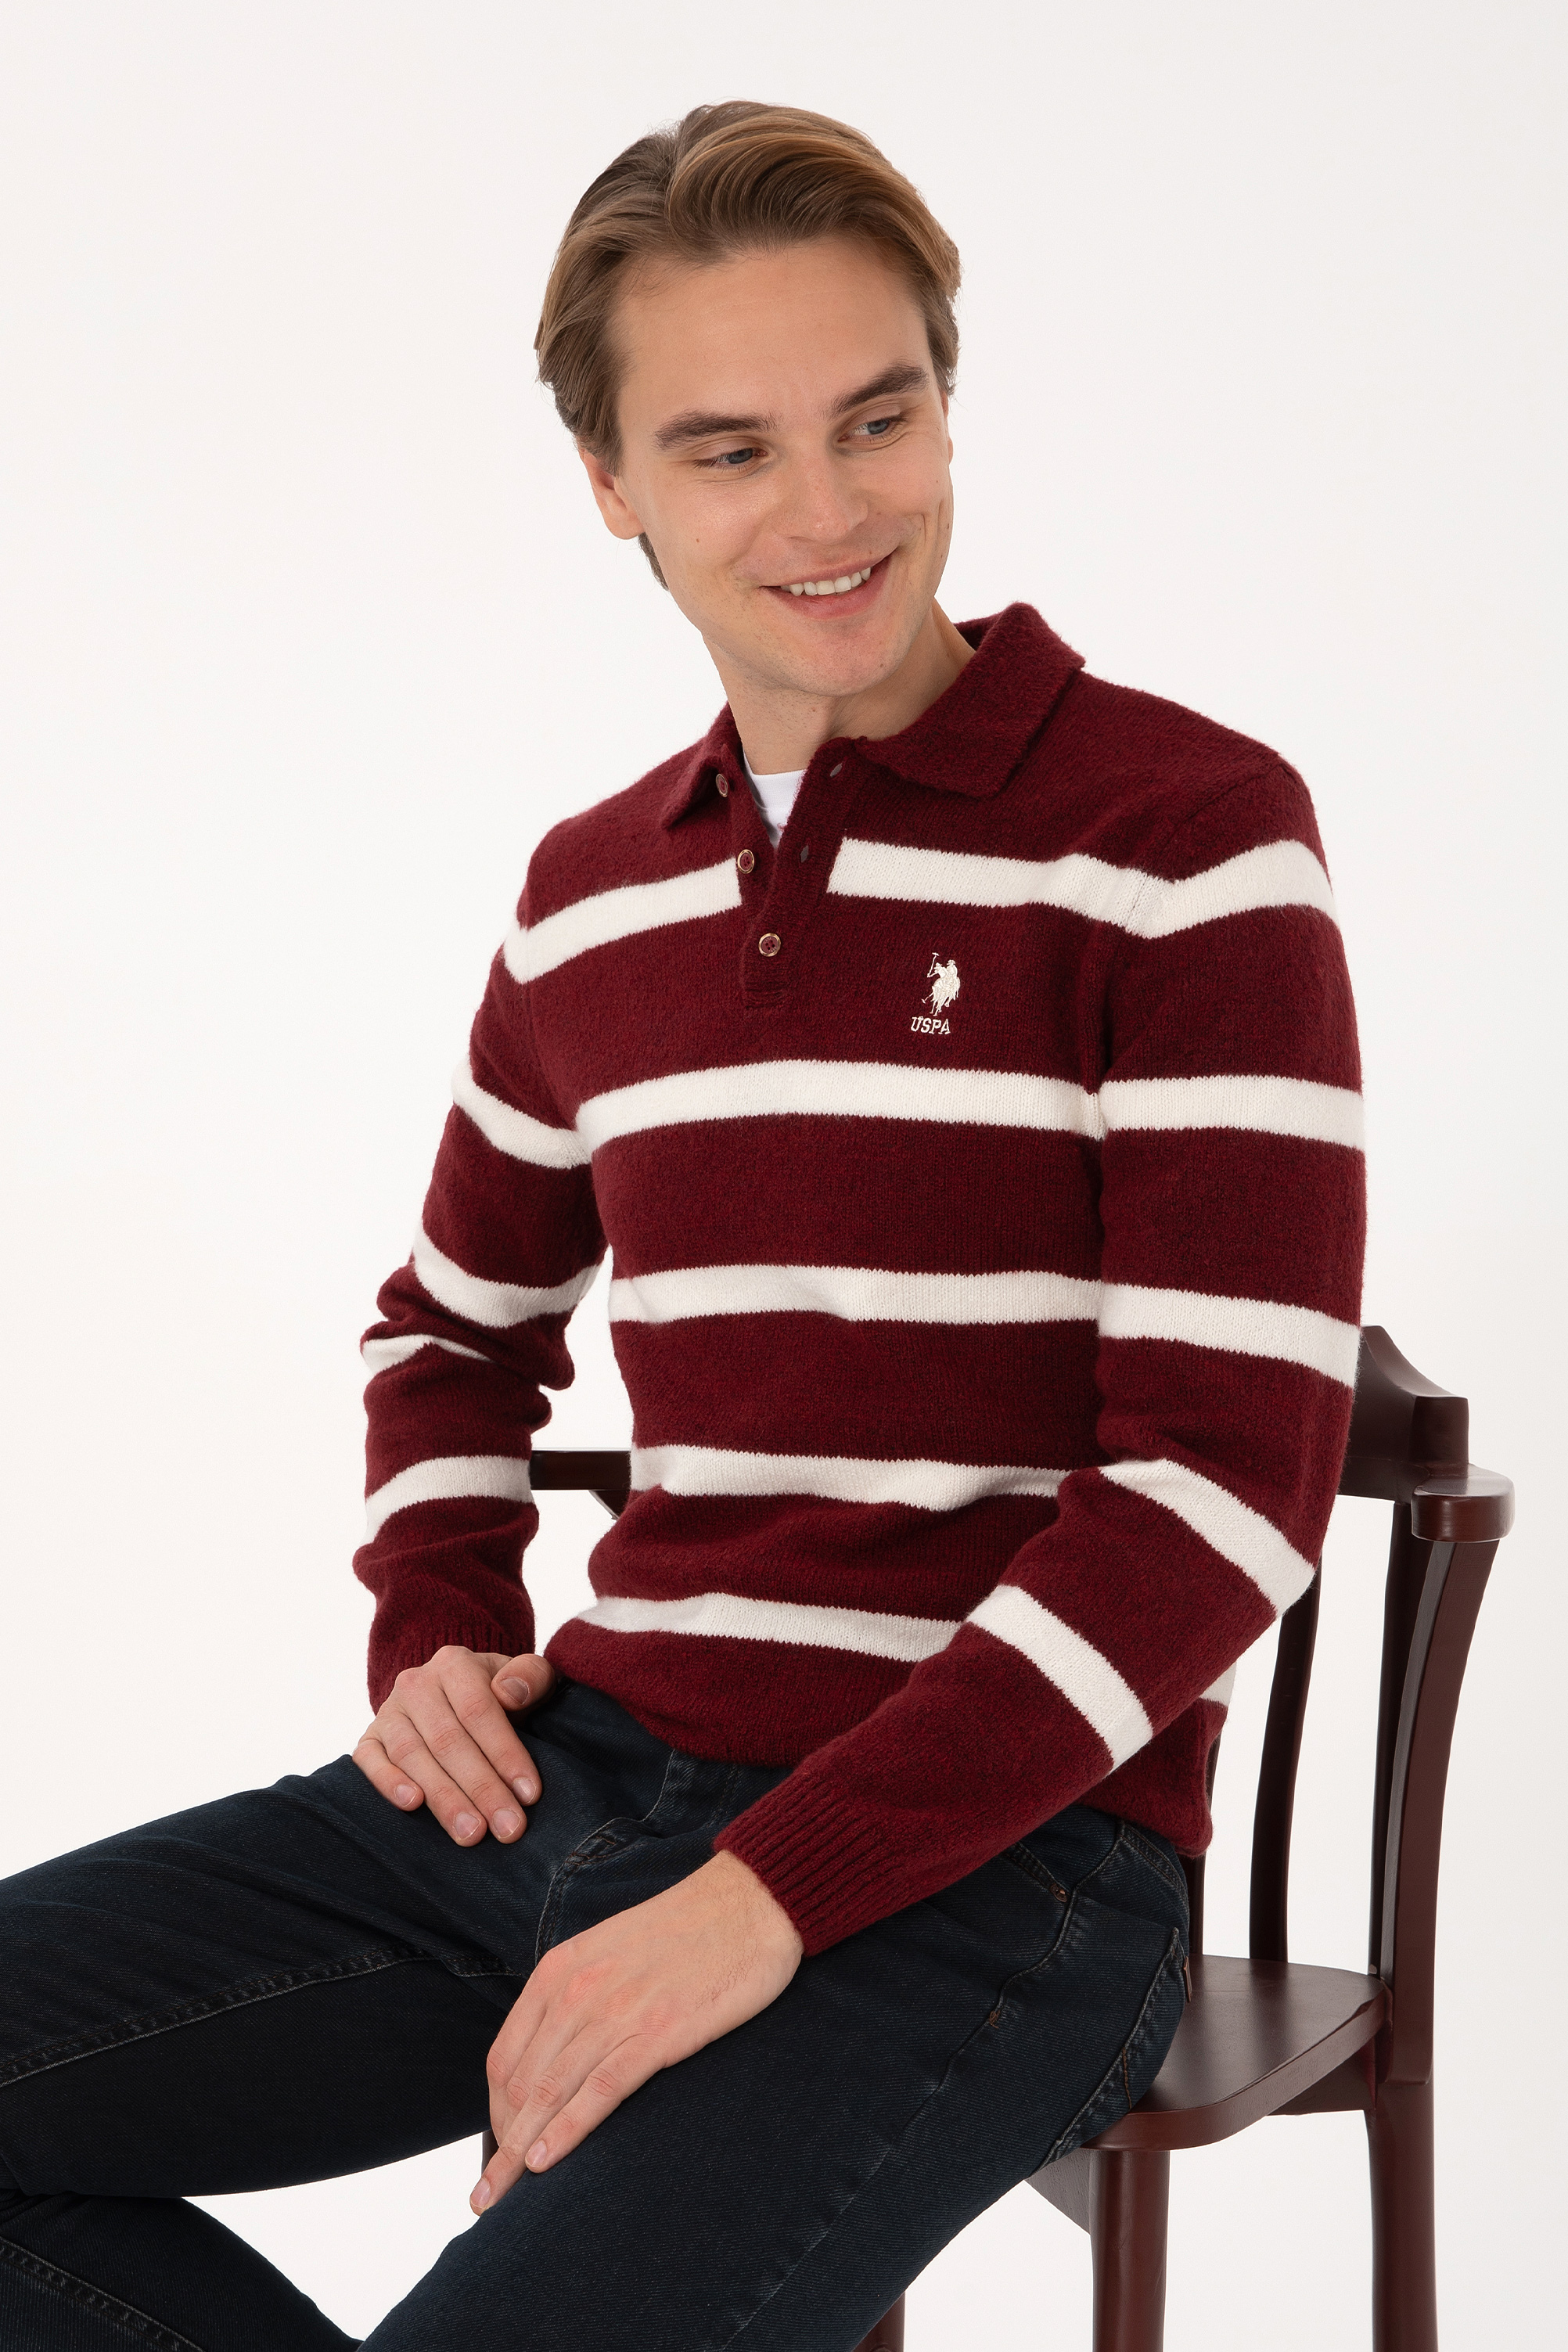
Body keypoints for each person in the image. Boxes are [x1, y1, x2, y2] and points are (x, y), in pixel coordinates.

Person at [0, 101, 1365, 2350]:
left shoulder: (1183, 835)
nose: (829, 513)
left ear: (948, 408)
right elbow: (448, 1331)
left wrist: (765, 1895)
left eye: (878, 419)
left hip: (1000, 1859)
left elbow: (1221, 1486)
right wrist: (437, 1631)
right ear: (611, 484)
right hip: (580, 1774)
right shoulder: (590, 898)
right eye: (729, 450)